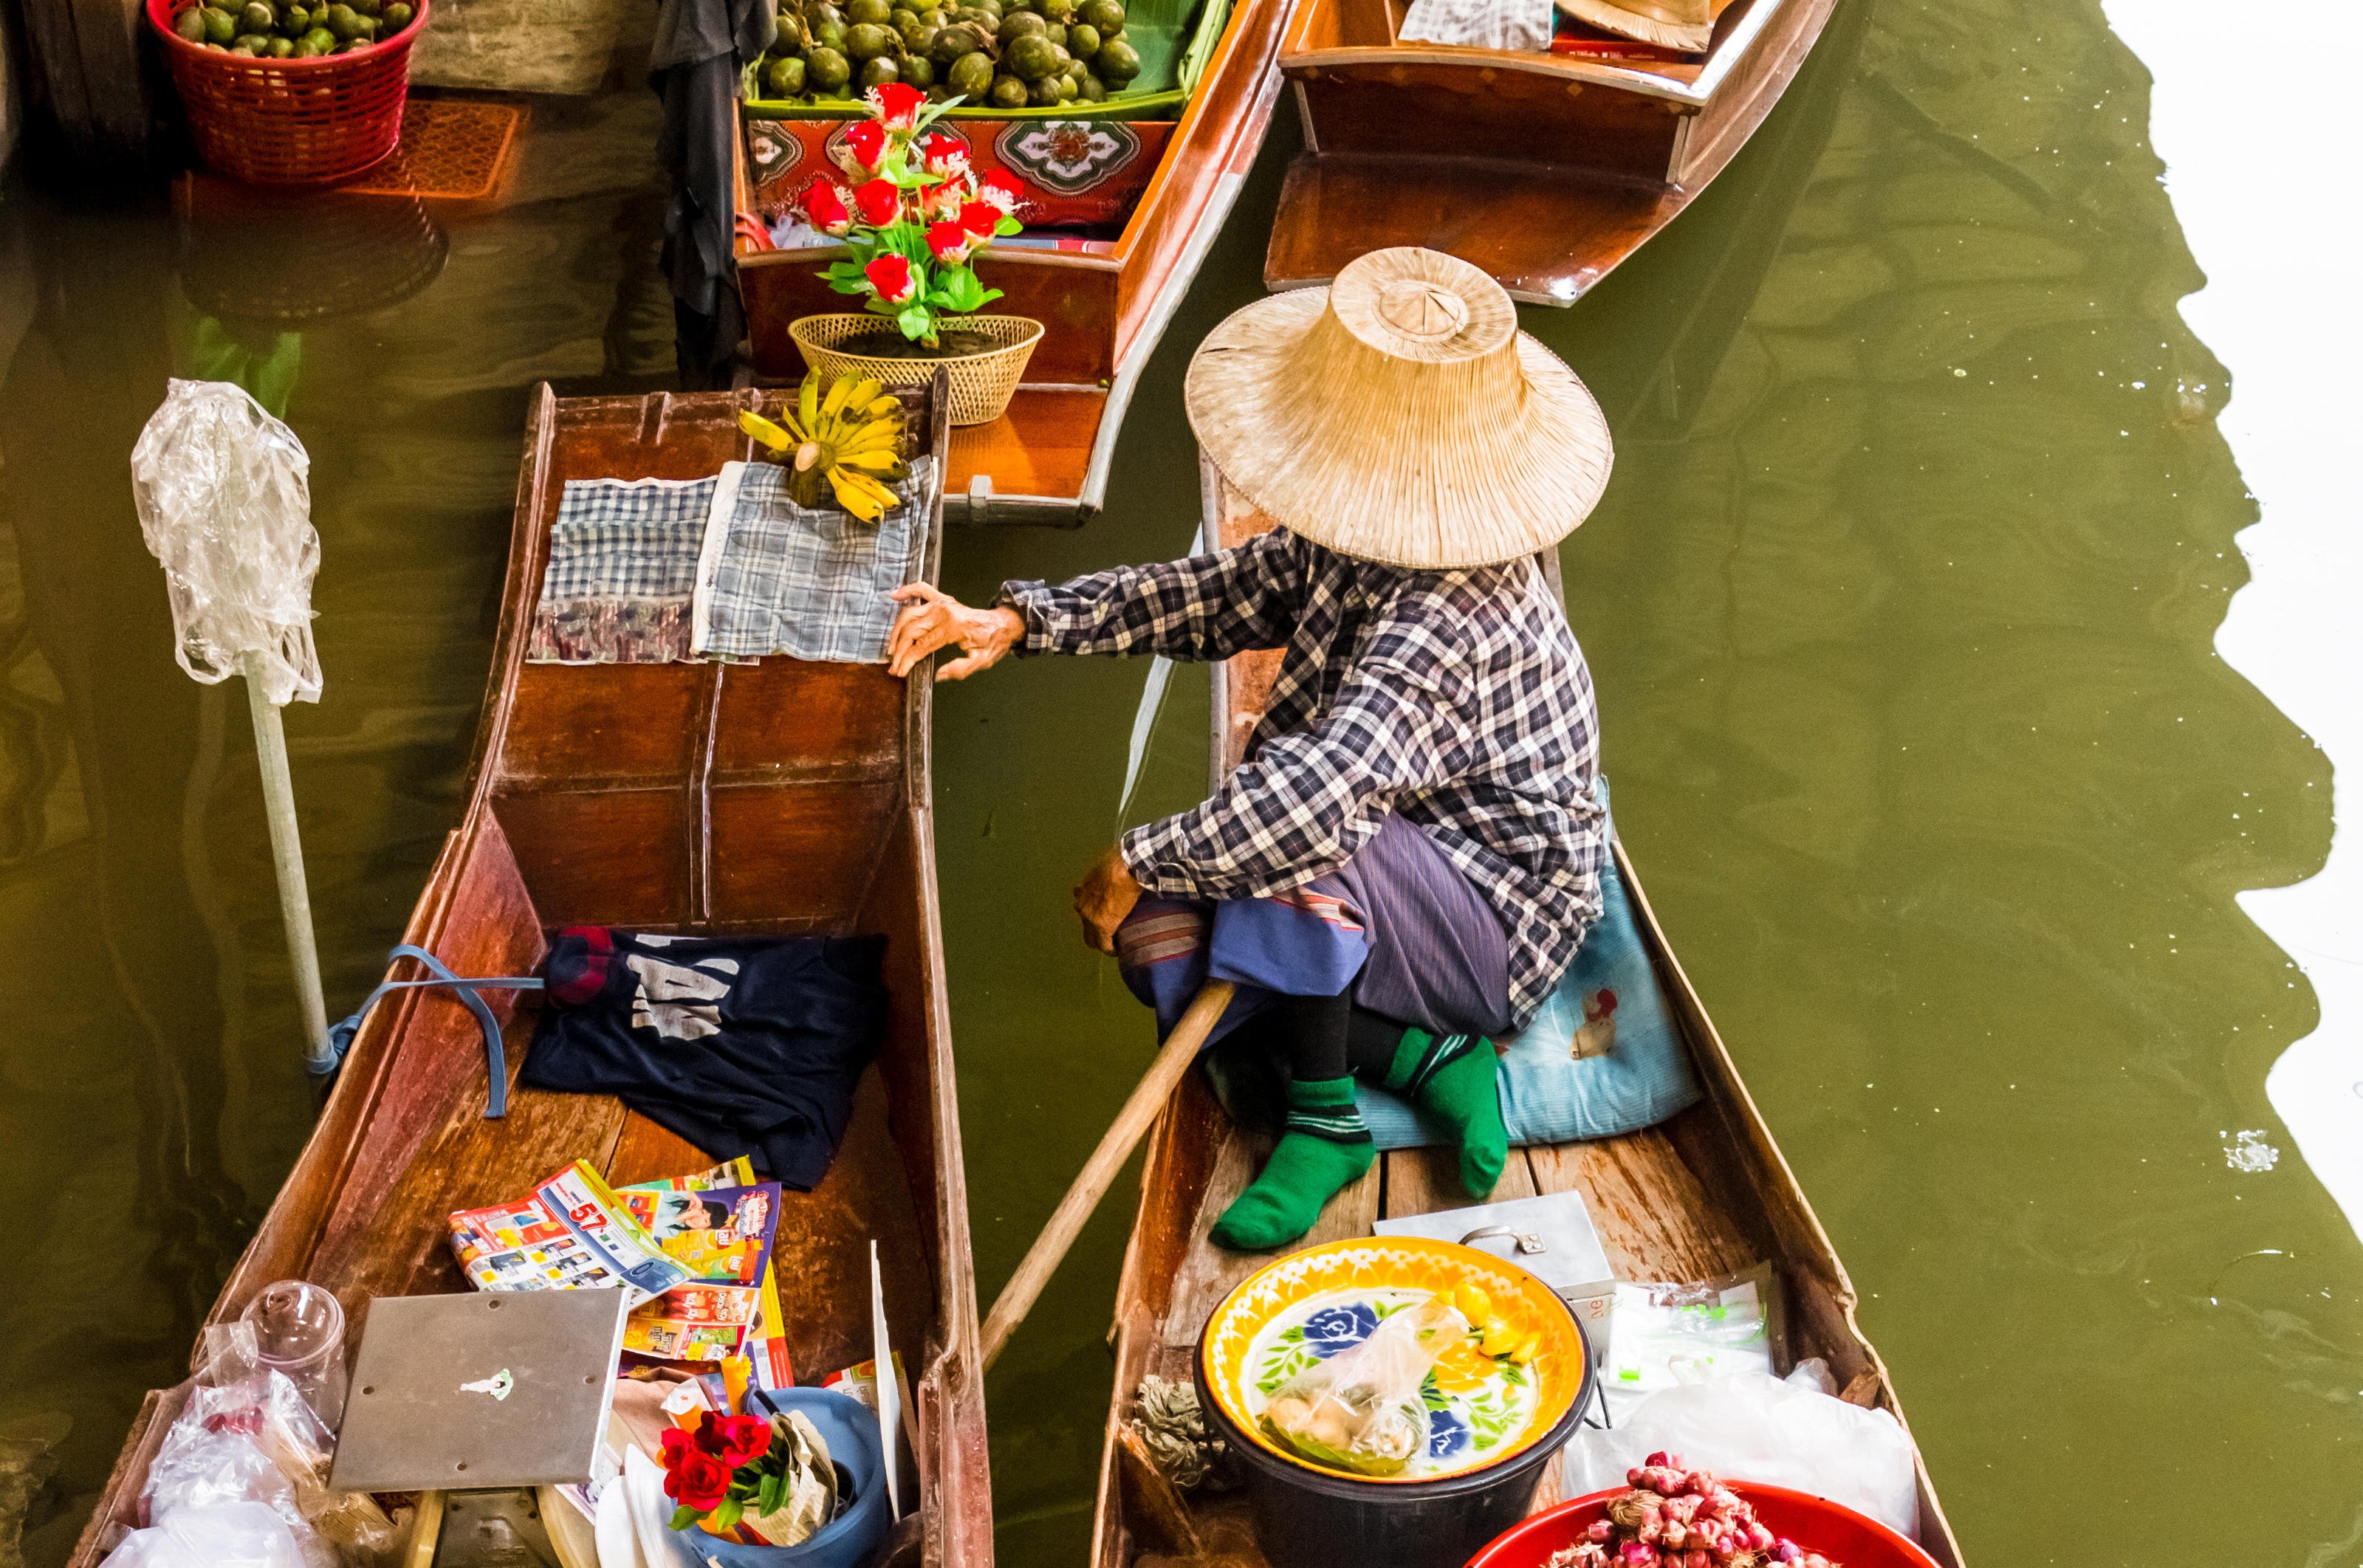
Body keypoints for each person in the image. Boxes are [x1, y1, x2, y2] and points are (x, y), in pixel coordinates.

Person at [885, 247, 1617, 1251]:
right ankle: (1421, 1057)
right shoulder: (1354, 532)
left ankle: (1324, 1115)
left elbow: (1319, 802)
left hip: (1491, 912)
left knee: (1286, 817)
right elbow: (1220, 595)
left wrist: (1137, 853)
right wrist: (1022, 622)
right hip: (1386, 853)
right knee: (1155, 937)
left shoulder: (1454, 607)